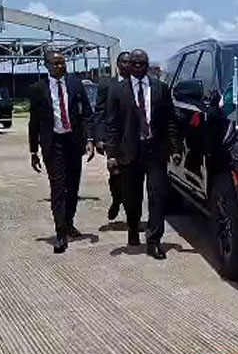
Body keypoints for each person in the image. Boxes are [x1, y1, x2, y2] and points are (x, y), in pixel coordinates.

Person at [105, 49, 182, 260]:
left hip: (155, 150)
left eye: (142, 63)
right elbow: (112, 124)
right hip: (129, 152)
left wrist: (175, 148)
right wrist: (112, 154)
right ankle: (132, 229)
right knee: (132, 198)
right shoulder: (117, 91)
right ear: (128, 66)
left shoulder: (161, 89)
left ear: (148, 65)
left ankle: (154, 240)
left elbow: (170, 121)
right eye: (134, 63)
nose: (138, 67)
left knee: (157, 195)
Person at [29, 50, 96, 254]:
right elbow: (34, 122)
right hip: (53, 143)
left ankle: (69, 222)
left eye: (62, 63)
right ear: (47, 66)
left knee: (73, 187)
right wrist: (33, 151)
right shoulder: (38, 89)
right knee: (58, 188)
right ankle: (60, 234)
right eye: (56, 63)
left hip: (73, 142)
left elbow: (87, 113)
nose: (60, 66)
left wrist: (90, 139)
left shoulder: (75, 84)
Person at [94, 51, 130, 222]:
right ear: (117, 64)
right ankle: (117, 200)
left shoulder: (139, 85)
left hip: (133, 138)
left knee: (132, 177)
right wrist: (99, 137)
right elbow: (99, 112)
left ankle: (133, 217)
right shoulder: (107, 85)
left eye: (130, 62)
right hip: (113, 137)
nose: (127, 65)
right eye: (123, 62)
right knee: (115, 173)